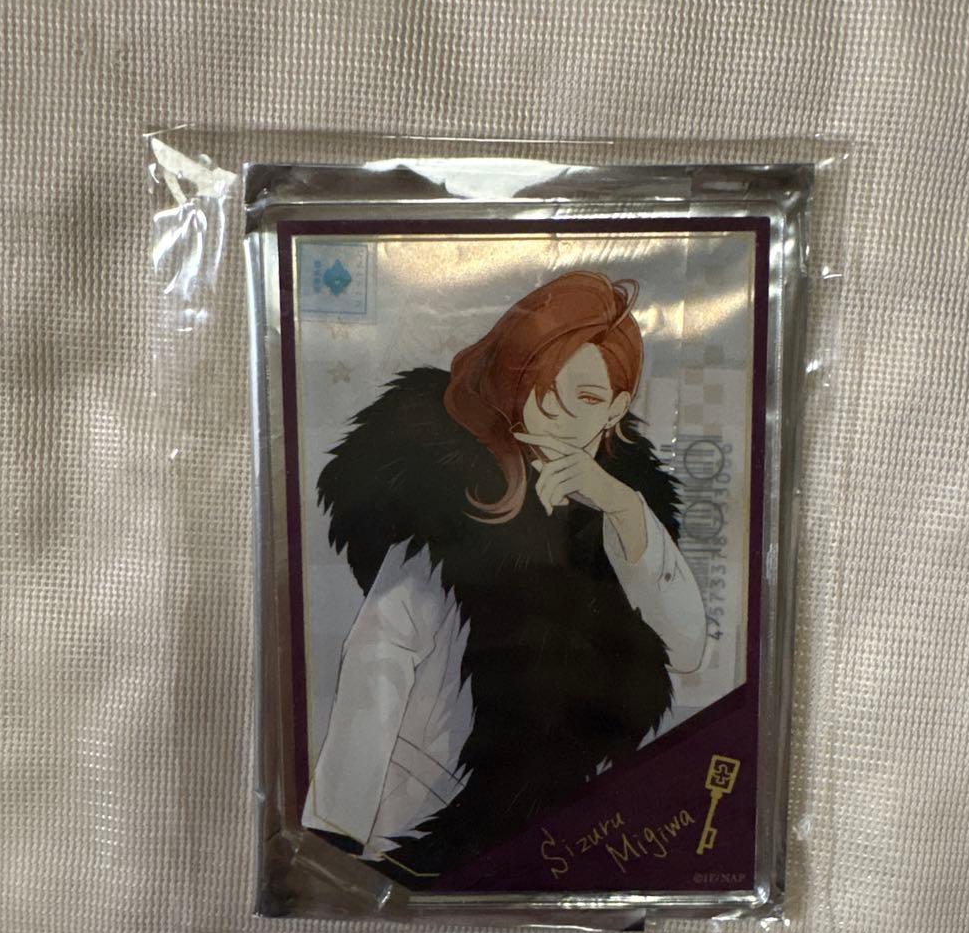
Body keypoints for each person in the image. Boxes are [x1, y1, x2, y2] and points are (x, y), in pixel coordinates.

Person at [302, 270, 707, 884]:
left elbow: (687, 647)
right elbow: (376, 660)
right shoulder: (453, 502)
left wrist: (622, 506)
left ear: (618, 408)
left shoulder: (624, 503)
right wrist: (335, 836)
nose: (558, 417)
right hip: (421, 820)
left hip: (572, 824)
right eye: (542, 389)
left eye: (587, 399)